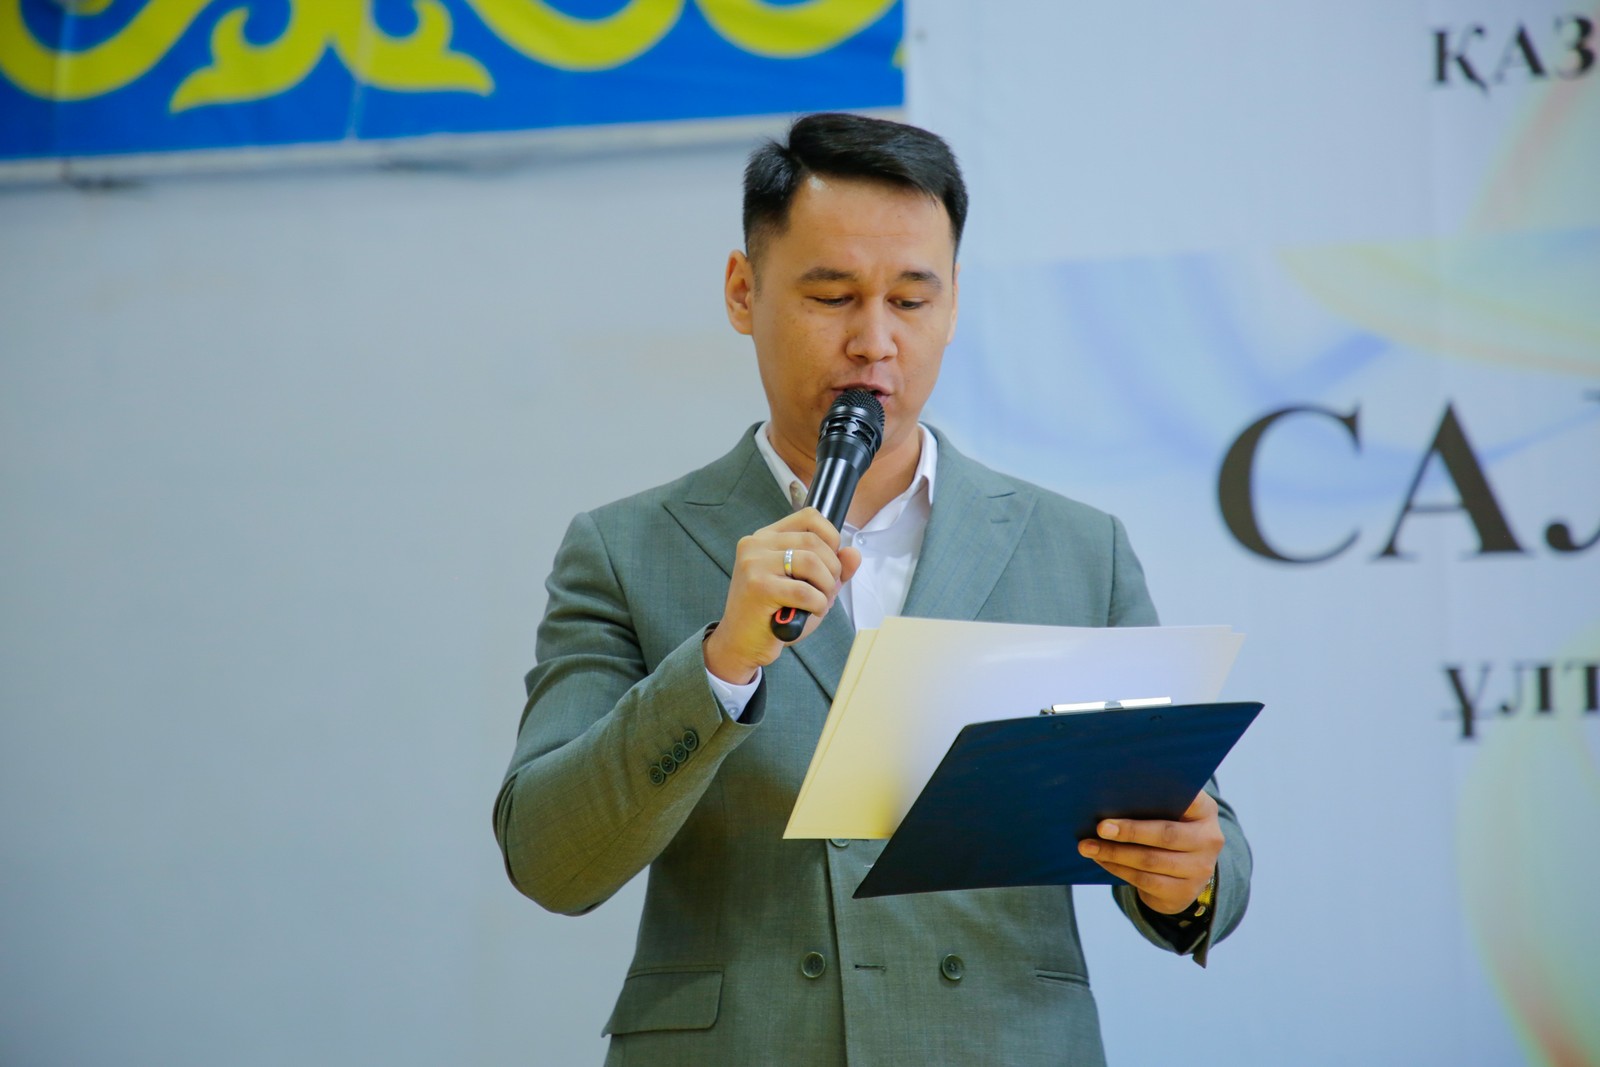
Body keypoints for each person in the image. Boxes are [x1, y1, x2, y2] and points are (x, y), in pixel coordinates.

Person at [494, 112, 1250, 1066]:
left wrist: (1185, 875)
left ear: (954, 303)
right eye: (833, 295)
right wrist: (721, 665)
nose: (874, 341)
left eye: (911, 299)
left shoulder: (1075, 548)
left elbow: (1209, 838)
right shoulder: (624, 548)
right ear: (742, 291)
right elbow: (548, 858)